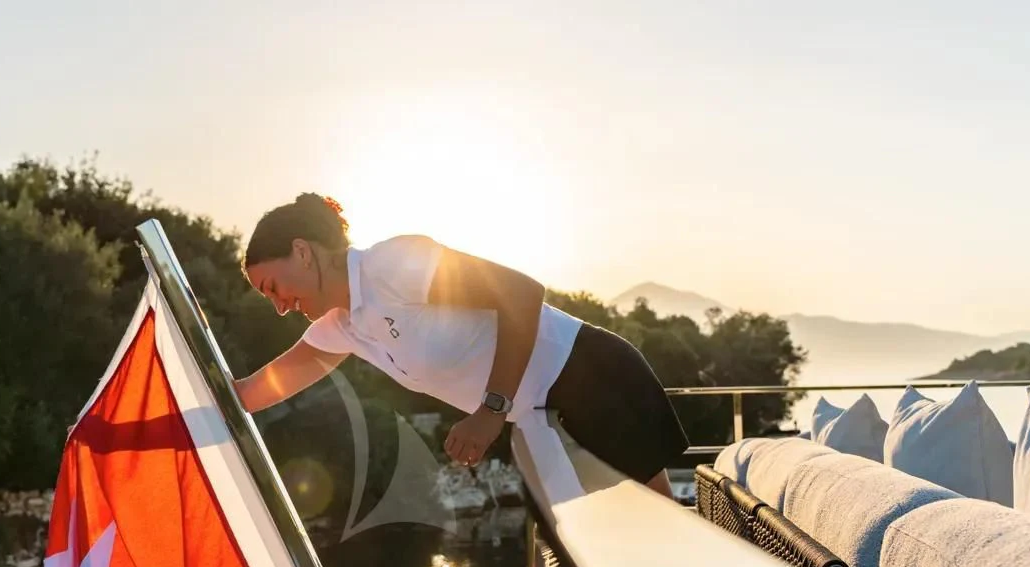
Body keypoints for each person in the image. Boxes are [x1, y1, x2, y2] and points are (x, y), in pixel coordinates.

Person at [234, 193, 689, 495]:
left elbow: (521, 293)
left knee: (661, 545)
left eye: (272, 287)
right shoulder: (341, 327)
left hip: (595, 381)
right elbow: (250, 396)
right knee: (617, 563)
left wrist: (490, 411)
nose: (279, 306)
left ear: (303, 252)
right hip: (545, 420)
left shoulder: (392, 265)